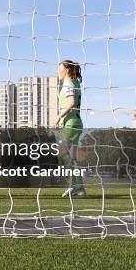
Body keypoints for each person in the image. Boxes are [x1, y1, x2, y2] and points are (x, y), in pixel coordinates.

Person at [54, 60, 86, 198]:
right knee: (68, 156)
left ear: (66, 70)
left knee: (64, 154)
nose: (57, 71)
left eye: (59, 68)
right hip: (74, 123)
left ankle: (76, 186)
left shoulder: (68, 83)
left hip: (71, 124)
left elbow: (71, 102)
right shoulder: (76, 83)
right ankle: (77, 187)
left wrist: (58, 117)